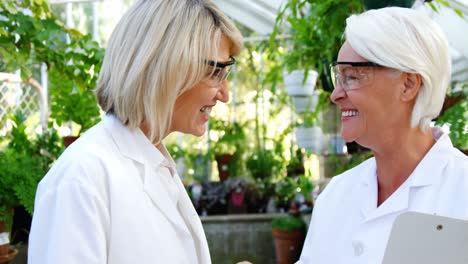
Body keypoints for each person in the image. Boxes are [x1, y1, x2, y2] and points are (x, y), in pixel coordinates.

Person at [28, 0, 242, 263]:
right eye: (215, 71)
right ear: (167, 67)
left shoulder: (155, 164)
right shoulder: (82, 178)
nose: (224, 94)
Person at [298, 7, 468, 264]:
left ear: (408, 84)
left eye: (352, 77)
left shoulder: (461, 190)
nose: (335, 94)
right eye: (338, 78)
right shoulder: (336, 195)